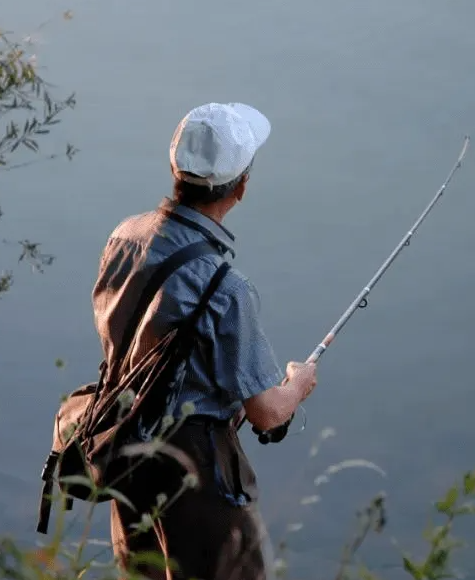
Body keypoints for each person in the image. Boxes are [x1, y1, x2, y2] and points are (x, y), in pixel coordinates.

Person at [90, 102, 318, 580]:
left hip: (124, 444)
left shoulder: (123, 238)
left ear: (176, 170)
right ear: (241, 187)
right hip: (192, 468)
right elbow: (266, 412)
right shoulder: (226, 287)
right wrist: (298, 382)